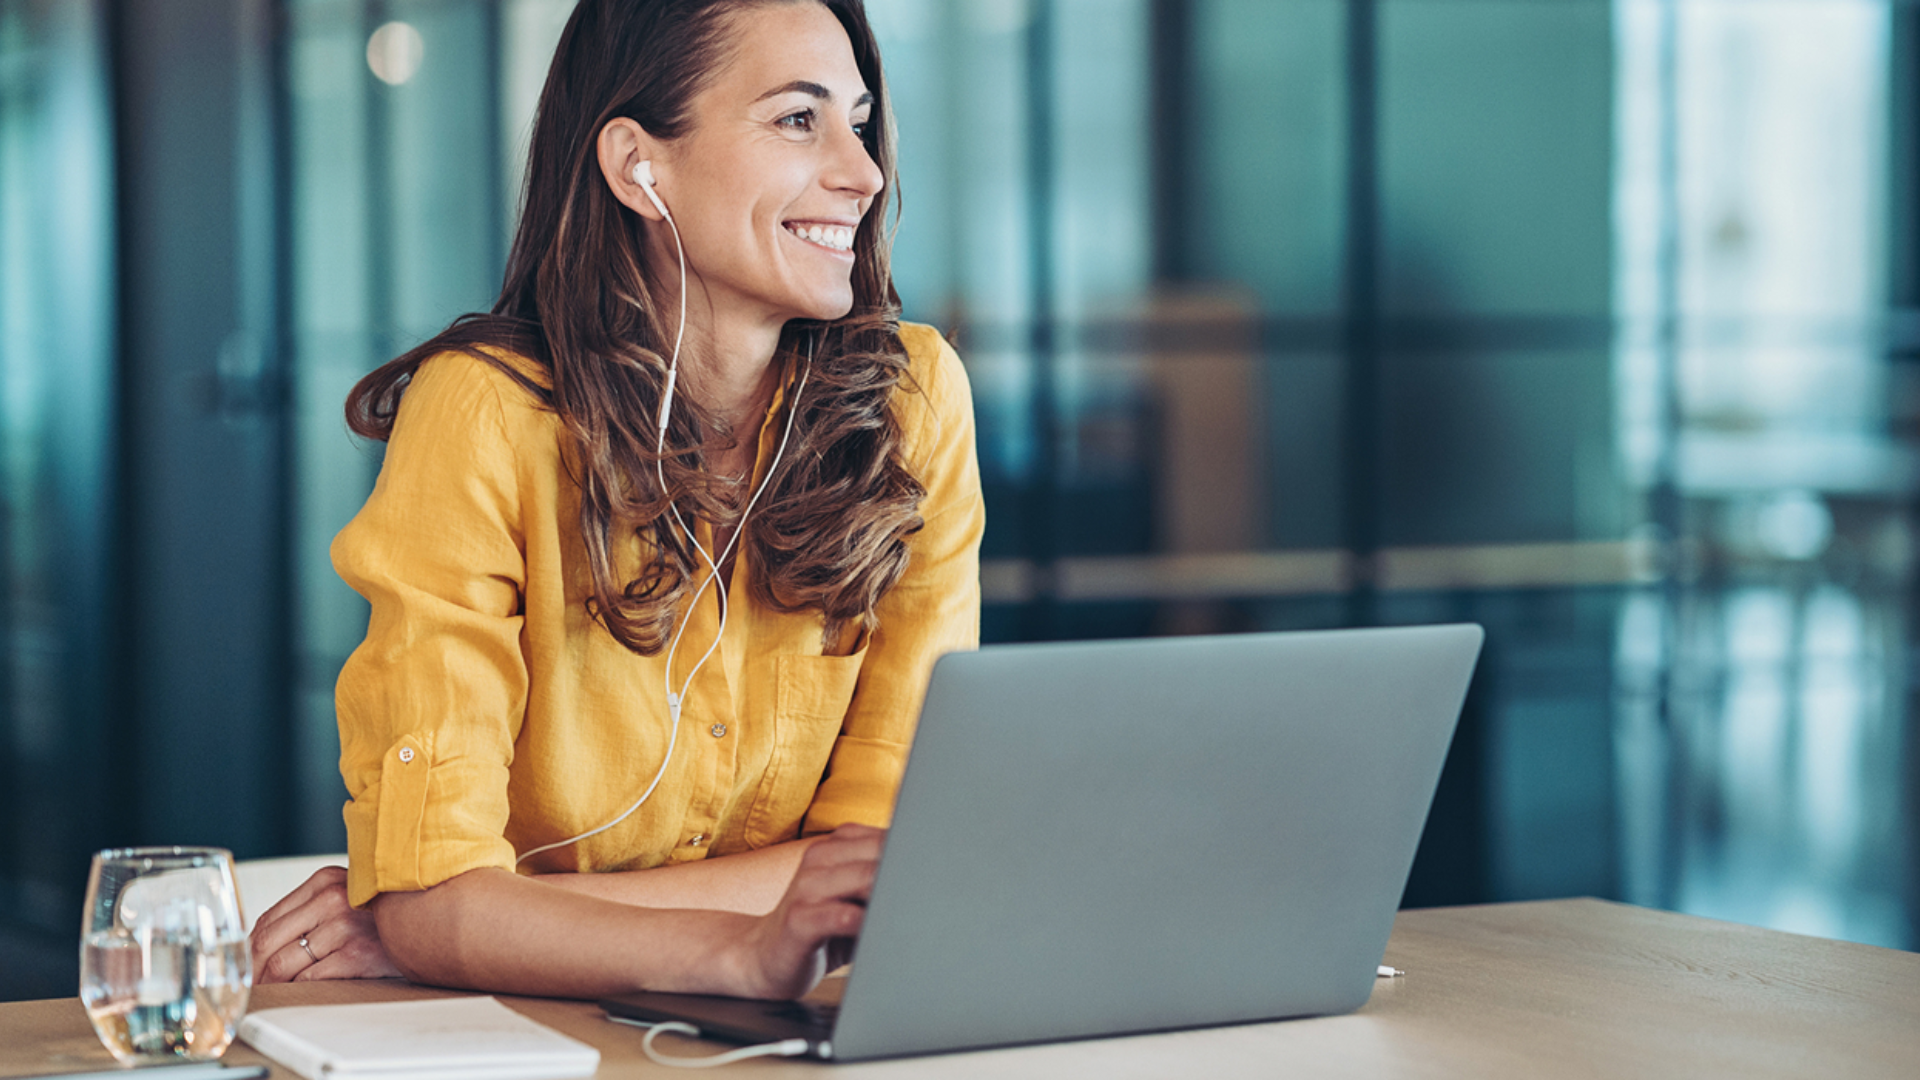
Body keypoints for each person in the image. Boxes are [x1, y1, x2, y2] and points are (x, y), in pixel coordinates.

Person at [246, 0, 981, 1001]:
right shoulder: (486, 414)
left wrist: (485, 922)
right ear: (640, 164)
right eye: (798, 119)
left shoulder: (914, 400)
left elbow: (888, 874)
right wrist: (735, 945)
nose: (863, 172)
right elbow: (436, 895)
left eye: (858, 120)